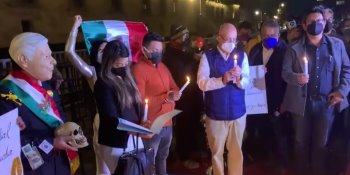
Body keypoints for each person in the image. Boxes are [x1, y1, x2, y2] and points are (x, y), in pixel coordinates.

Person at [282, 6, 350, 175]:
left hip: (327, 103)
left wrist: (341, 91)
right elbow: (285, 72)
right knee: (300, 142)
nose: (316, 24)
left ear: (325, 22)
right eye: (312, 22)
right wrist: (296, 78)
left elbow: (347, 70)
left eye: (319, 21)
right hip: (301, 103)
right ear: (304, 25)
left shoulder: (337, 45)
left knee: (321, 144)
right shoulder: (294, 47)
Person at [0, 32, 76, 175]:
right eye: (47, 56)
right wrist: (51, 144)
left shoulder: (45, 85)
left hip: (60, 164)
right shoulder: (5, 95)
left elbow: (59, 115)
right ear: (24, 60)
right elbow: (8, 147)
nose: (53, 61)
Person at [197, 23, 249, 175]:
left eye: (234, 39)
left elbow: (247, 82)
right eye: (228, 39)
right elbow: (202, 83)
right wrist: (222, 80)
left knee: (236, 150)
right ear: (219, 38)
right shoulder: (208, 56)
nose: (231, 43)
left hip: (238, 112)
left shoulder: (241, 55)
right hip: (215, 113)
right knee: (216, 152)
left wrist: (239, 78)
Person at [93, 39, 147, 174]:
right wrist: (133, 129)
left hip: (134, 137)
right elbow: (110, 117)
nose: (123, 67)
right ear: (108, 63)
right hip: (115, 142)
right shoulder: (103, 84)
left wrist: (143, 121)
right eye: (118, 64)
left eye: (125, 63)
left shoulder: (129, 78)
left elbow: (136, 105)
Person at [64, 15, 109, 175]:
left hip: (123, 122)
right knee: (104, 166)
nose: (105, 53)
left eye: (108, 50)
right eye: (102, 50)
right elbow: (69, 52)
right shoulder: (92, 72)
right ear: (95, 53)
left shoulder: (120, 72)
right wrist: (75, 27)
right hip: (104, 121)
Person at [132, 31, 180, 175]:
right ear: (144, 49)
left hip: (168, 121)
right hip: (152, 124)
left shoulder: (163, 67)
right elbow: (139, 101)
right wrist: (166, 97)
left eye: (160, 50)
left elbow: (174, 86)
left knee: (163, 157)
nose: (158, 53)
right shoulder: (139, 69)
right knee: (150, 161)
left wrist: (176, 93)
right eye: (154, 50)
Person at [248, 19, 288, 174]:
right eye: (266, 35)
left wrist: (285, 102)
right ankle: (265, 156)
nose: (269, 37)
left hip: (278, 98)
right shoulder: (255, 49)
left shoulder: (286, 51)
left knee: (279, 131)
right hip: (258, 98)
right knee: (263, 129)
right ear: (260, 35)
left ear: (278, 35)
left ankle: (280, 162)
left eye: (273, 35)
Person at [163, 24, 203, 169]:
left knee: (193, 123)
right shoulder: (169, 55)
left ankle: (193, 149)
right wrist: (192, 58)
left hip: (193, 95)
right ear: (175, 39)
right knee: (183, 127)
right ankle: (184, 155)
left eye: (187, 35)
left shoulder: (187, 51)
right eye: (183, 36)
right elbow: (180, 69)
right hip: (181, 97)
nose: (186, 39)